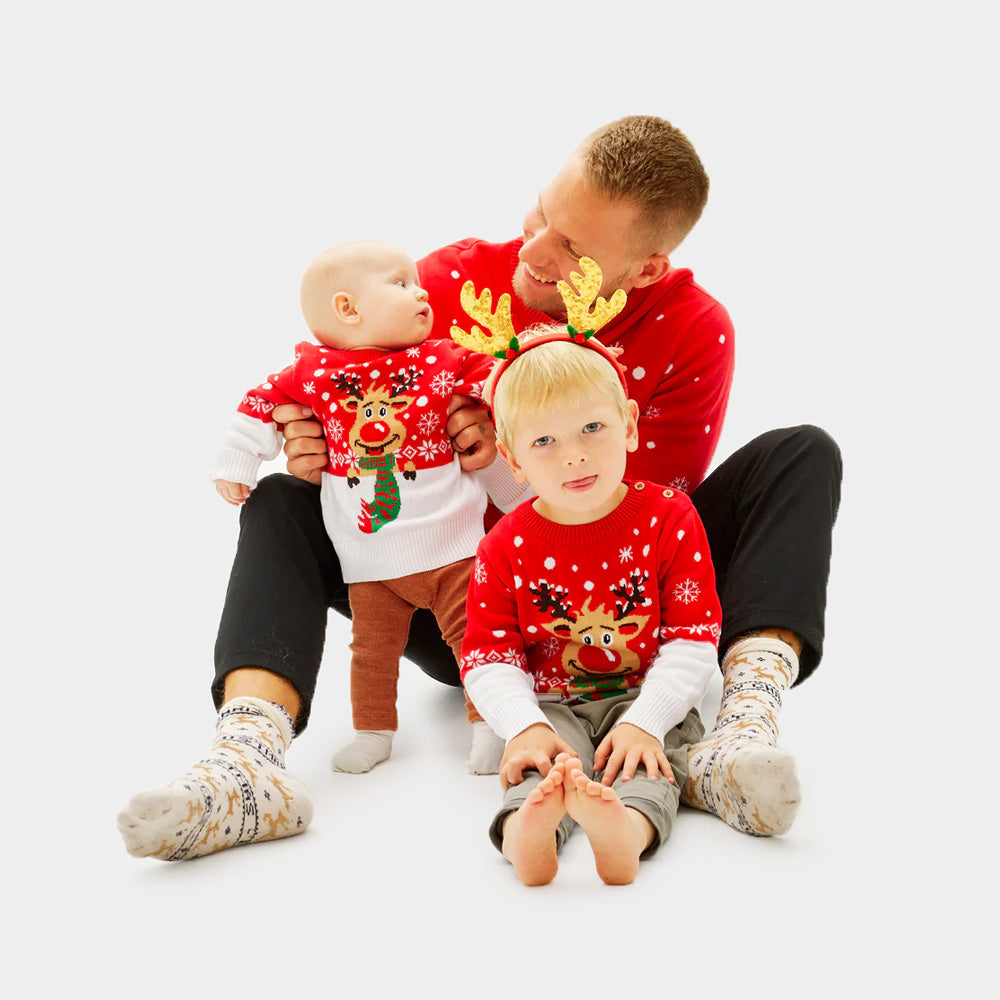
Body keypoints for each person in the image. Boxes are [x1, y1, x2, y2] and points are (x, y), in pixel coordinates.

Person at [120, 114, 841, 861]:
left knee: (801, 455)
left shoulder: (694, 330)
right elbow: (335, 392)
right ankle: (246, 762)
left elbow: (639, 517)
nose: (533, 251)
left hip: (621, 612)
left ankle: (740, 732)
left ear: (648, 270)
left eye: (574, 247)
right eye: (541, 214)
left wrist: (503, 443)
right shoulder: (449, 281)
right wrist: (311, 441)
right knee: (280, 504)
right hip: (458, 601)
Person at [117, 240, 526, 860]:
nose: (422, 294)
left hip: (459, 556)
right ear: (348, 309)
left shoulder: (442, 360)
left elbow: (501, 382)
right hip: (371, 564)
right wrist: (237, 459)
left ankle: (487, 725)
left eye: (416, 283)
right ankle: (267, 754)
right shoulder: (312, 373)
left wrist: (504, 426)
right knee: (369, 650)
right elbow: (258, 404)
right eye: (401, 284)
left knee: (474, 636)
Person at [460, 299, 722, 885]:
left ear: (629, 424)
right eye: (545, 441)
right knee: (537, 774)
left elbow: (693, 636)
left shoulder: (667, 516)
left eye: (592, 428)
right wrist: (524, 725)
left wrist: (648, 720)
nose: (574, 454)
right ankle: (524, 835)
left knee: (654, 767)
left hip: (646, 693)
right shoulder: (504, 544)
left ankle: (625, 832)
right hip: (553, 706)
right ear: (513, 458)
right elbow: (488, 657)